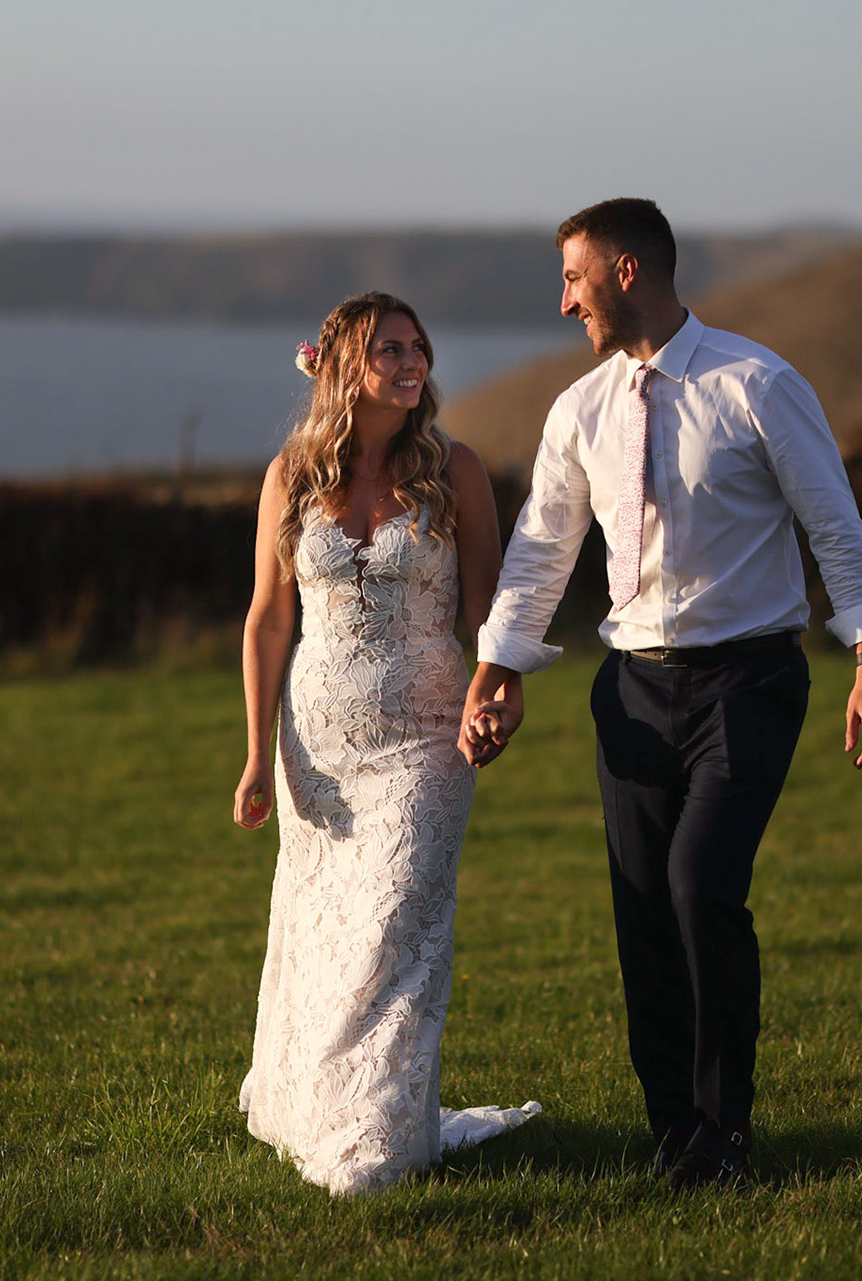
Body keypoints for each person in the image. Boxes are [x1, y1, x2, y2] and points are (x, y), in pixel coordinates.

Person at [459, 199, 862, 1191]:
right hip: (631, 694)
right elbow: (540, 551)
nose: (563, 299)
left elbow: (833, 523)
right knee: (642, 915)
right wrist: (499, 668)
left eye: (574, 278)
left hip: (749, 679)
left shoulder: (758, 384)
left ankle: (725, 1127)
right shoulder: (580, 411)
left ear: (625, 272)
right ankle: (675, 1137)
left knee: (701, 888)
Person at [233, 292, 537, 1197]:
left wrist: (498, 691)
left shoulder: (459, 470)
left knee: (398, 924)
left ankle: (375, 1137)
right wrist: (255, 755)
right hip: (314, 744)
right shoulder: (292, 472)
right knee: (325, 932)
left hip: (425, 742)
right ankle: (314, 1107)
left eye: (418, 348)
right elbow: (265, 618)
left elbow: (490, 610)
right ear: (340, 365)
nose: (413, 364)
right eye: (390, 350)